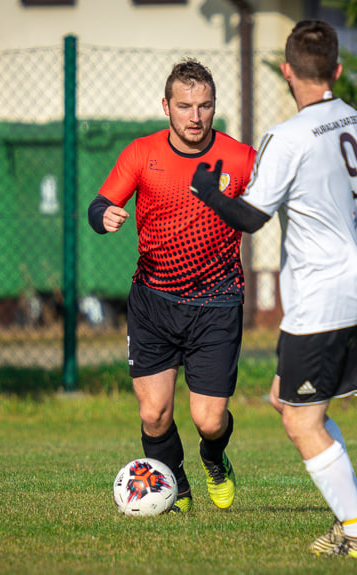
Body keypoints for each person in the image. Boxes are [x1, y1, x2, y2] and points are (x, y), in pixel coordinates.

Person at [190, 20, 357, 558]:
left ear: (286, 71)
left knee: (301, 420)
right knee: (285, 402)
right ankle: (353, 510)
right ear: (336, 70)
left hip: (321, 300)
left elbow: (250, 217)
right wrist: (347, 217)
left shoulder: (287, 138)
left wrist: (207, 191)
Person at [88, 59, 257, 513]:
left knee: (209, 419)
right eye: (185, 106)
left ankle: (214, 459)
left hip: (217, 302)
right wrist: (103, 217)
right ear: (166, 106)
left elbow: (267, 207)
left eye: (204, 106)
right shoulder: (142, 154)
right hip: (154, 302)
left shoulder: (240, 158)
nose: (195, 117)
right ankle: (175, 485)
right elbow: (100, 204)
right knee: (153, 413)